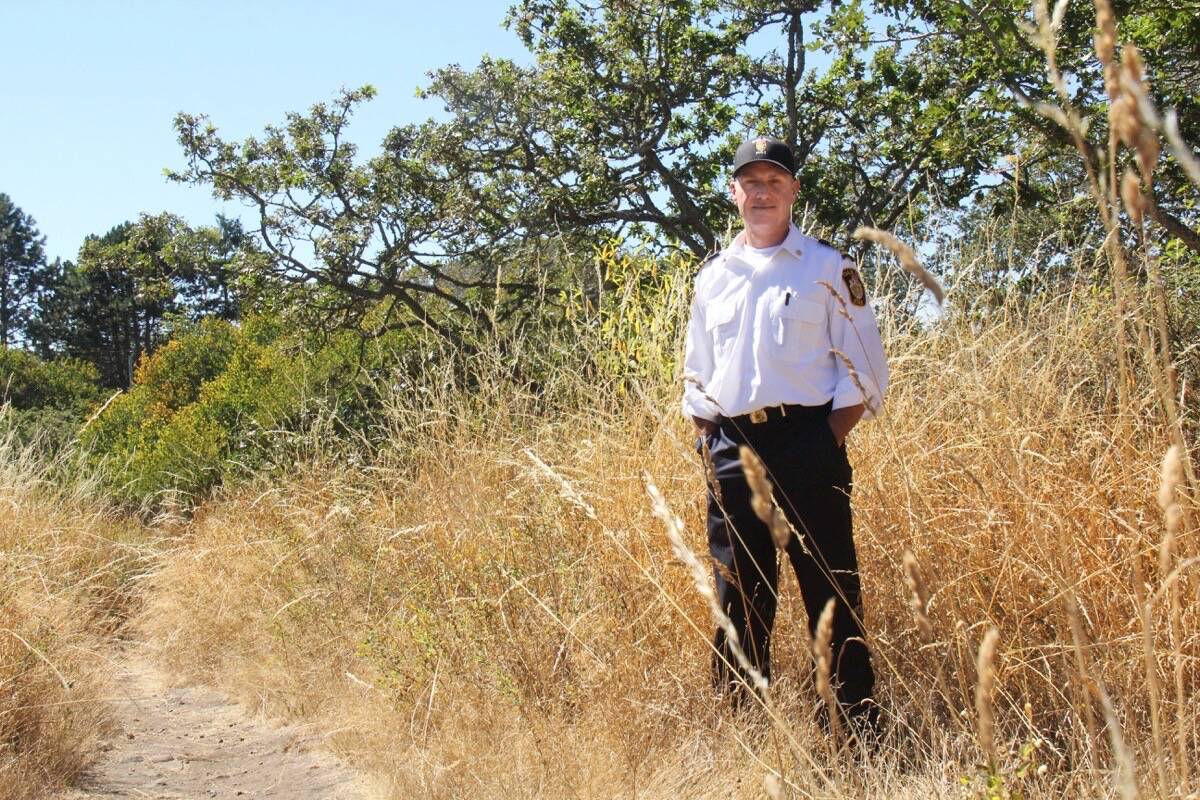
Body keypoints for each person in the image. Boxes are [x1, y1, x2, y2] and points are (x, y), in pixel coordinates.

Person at [681, 136, 889, 735]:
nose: (762, 192)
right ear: (734, 193)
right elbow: (696, 374)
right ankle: (739, 732)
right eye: (751, 181)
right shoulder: (713, 278)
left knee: (830, 588)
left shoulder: (828, 267)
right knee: (738, 596)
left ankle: (854, 729)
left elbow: (867, 372)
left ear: (794, 190)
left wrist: (826, 440)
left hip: (806, 444)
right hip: (730, 447)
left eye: (775, 180)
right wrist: (709, 442)